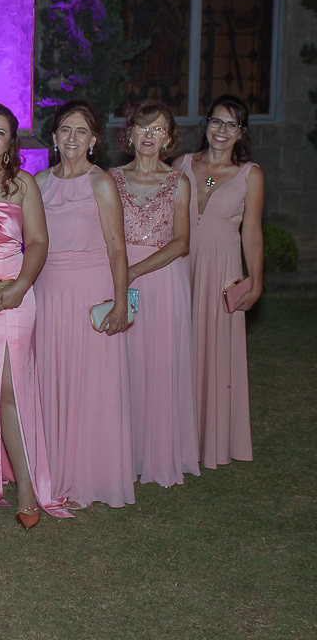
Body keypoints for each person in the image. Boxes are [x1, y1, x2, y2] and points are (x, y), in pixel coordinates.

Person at [0, 104, 71, 527]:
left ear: (11, 144)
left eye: (0, 132)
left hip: (13, 298)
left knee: (9, 391)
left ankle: (25, 485)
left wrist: (21, 286)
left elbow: (39, 242)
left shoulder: (22, 183)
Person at [34, 101, 134, 509]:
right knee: (50, 378)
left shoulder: (101, 183)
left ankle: (91, 477)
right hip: (48, 291)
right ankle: (52, 473)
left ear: (94, 140)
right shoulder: (38, 182)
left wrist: (121, 302)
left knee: (92, 384)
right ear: (54, 137)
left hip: (92, 291)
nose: (71, 138)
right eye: (64, 130)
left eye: (81, 131)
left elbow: (117, 248)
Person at [113, 101, 199, 486]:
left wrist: (132, 271)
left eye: (159, 130)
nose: (149, 136)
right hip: (116, 277)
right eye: (143, 128)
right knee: (122, 365)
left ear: (169, 139)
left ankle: (159, 455)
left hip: (163, 280)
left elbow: (181, 242)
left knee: (160, 364)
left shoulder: (179, 181)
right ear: (129, 133)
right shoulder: (109, 178)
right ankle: (119, 454)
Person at [176, 95, 263, 468]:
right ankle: (176, 436)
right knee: (179, 348)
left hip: (221, 271)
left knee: (214, 351)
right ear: (206, 124)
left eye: (231, 125)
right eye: (217, 121)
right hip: (180, 267)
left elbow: (253, 232)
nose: (222, 130)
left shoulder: (250, 174)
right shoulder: (180, 165)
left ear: (241, 133)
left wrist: (256, 282)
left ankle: (211, 442)